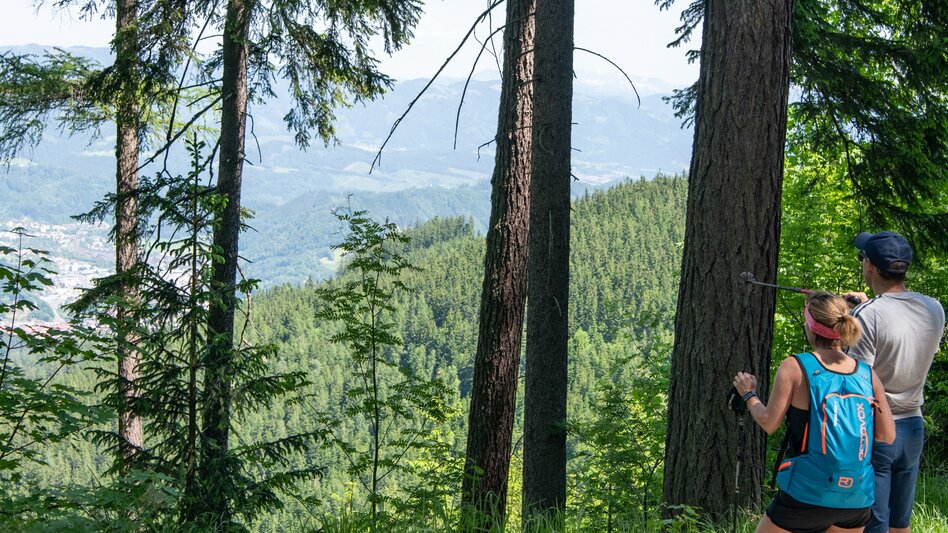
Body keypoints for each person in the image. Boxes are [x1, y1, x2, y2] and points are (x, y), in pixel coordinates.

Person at [733, 291, 895, 533]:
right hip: (856, 498)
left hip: (807, 494)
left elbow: (768, 422)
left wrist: (749, 394)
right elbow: (888, 435)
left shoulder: (796, 366)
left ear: (810, 326)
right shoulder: (866, 374)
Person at [845, 231, 945, 533]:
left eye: (863, 259)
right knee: (900, 523)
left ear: (871, 267)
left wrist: (854, 316)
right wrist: (866, 307)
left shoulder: (868, 315)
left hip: (878, 428)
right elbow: (900, 331)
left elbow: (857, 378)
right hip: (913, 427)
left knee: (874, 524)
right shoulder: (933, 309)